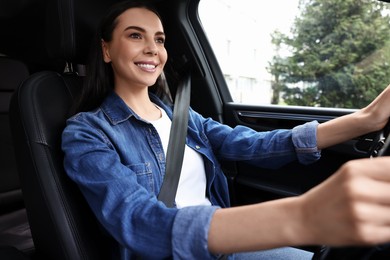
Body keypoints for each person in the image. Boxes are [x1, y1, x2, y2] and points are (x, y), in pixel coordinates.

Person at [61, 1, 390, 259]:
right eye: (136, 36)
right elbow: (139, 222)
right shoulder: (88, 133)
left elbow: (252, 145)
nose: (152, 49)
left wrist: (365, 119)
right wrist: (303, 216)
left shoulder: (182, 118)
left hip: (223, 248)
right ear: (106, 50)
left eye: (159, 39)